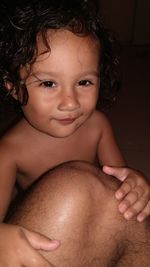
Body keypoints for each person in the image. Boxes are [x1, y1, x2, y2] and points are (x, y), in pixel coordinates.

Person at [0, 0, 149, 266]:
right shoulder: (9, 150)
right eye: (48, 83)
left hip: (91, 219)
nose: (70, 102)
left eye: (84, 82)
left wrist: (136, 183)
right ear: (13, 87)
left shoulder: (98, 125)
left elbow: (119, 179)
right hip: (48, 231)